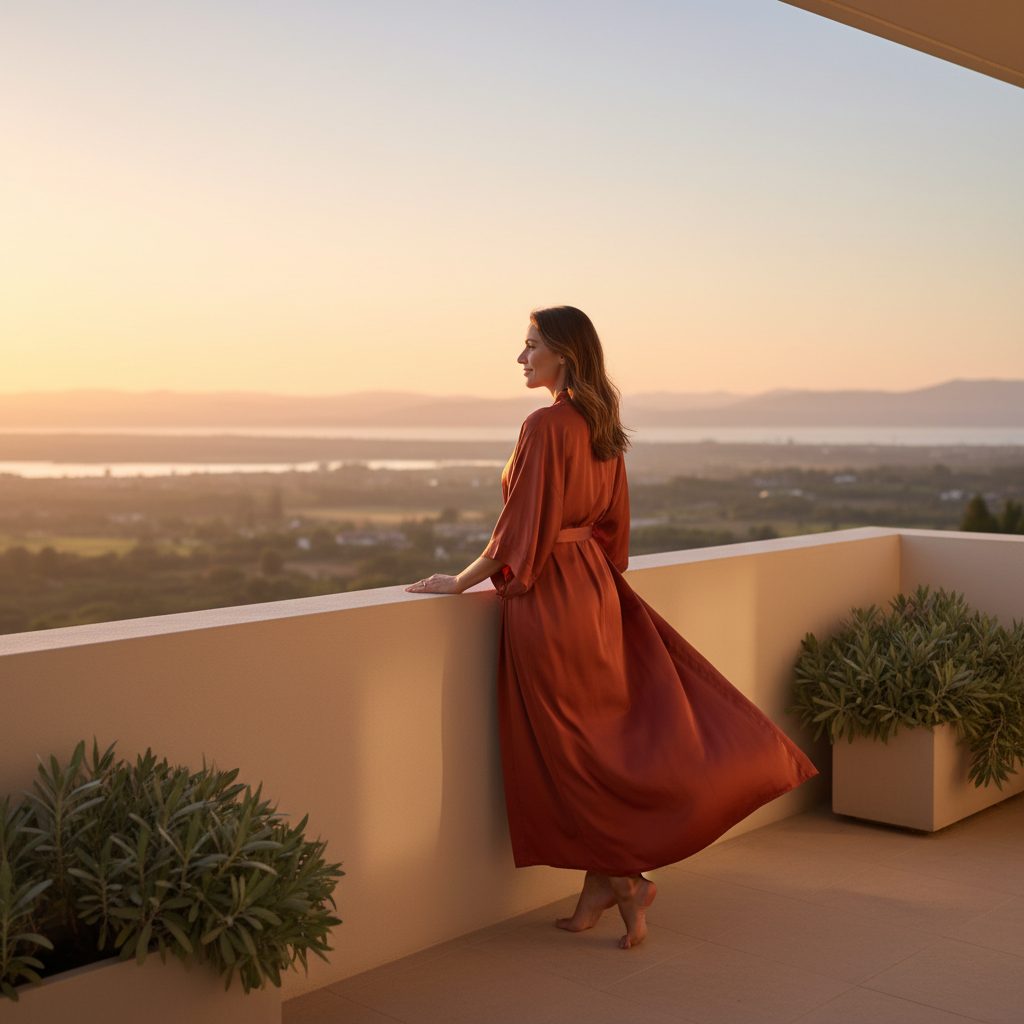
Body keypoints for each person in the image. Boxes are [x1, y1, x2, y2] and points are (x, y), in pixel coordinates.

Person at [405, 306, 819, 949]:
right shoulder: (601, 423)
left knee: (572, 748)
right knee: (597, 739)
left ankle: (624, 877)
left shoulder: (545, 424)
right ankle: (605, 881)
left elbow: (520, 530)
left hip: (550, 599)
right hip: (592, 589)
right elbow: (614, 533)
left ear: (563, 354)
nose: (521, 358)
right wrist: (587, 574)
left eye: (531, 345)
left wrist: (460, 581)